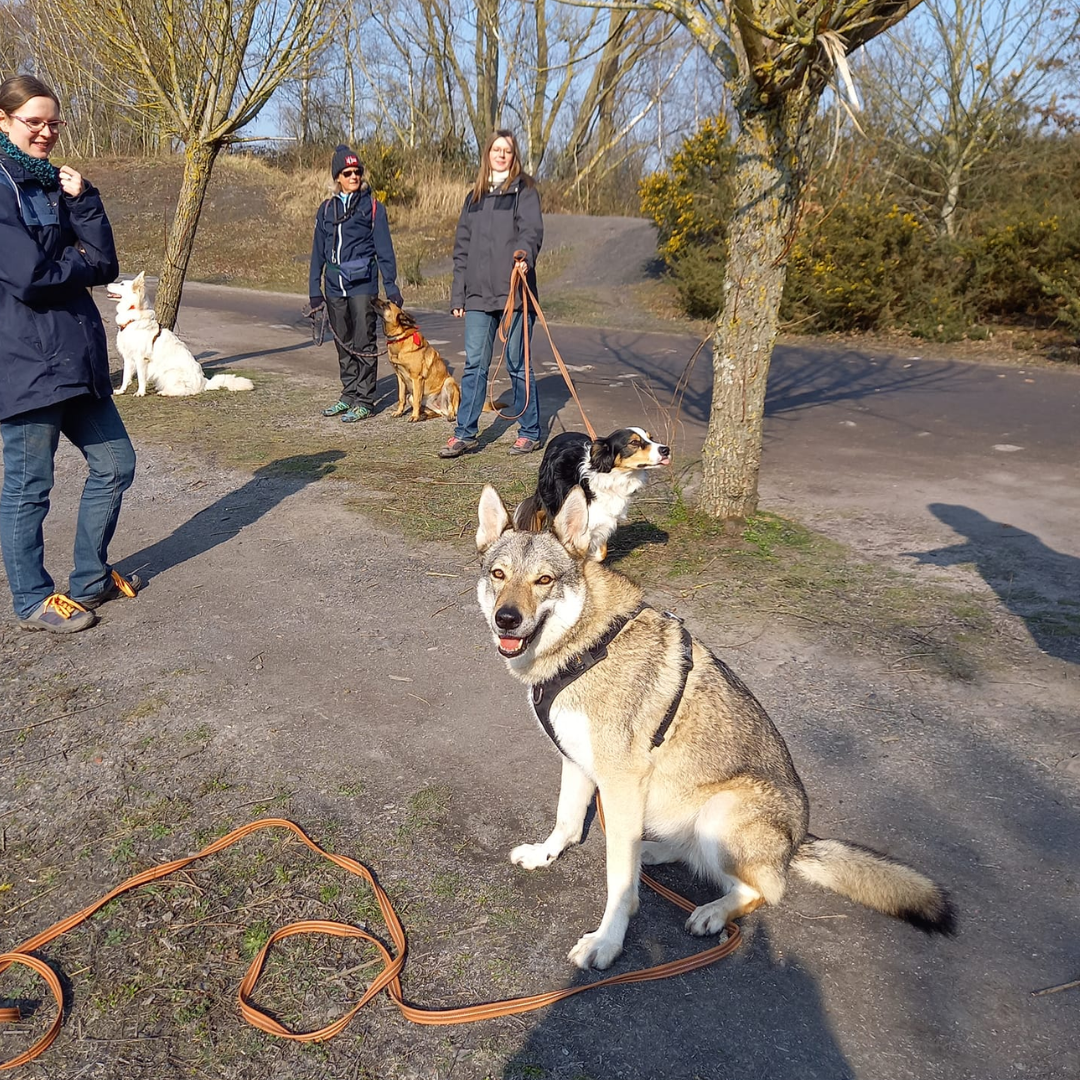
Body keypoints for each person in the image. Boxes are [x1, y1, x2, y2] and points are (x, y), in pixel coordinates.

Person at [0, 74, 138, 634]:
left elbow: (104, 264)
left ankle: (89, 578)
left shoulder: (56, 183)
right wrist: (74, 265)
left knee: (115, 463)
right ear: (4, 121)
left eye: (53, 122)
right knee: (30, 485)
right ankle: (32, 598)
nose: (45, 132)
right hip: (26, 359)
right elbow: (30, 277)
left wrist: (86, 200)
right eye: (34, 120)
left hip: (74, 358)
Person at [440, 129, 544, 458]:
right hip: (477, 298)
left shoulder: (524, 191)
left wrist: (524, 256)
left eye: (507, 150)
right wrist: (459, 296)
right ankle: (464, 433)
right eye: (496, 149)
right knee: (474, 366)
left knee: (517, 365)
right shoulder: (474, 197)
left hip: (514, 291)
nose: (501, 154)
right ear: (487, 154)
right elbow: (462, 250)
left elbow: (531, 231)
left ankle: (529, 432)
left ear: (514, 157)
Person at [309, 145, 402, 422]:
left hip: (363, 286)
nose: (354, 176)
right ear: (338, 176)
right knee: (343, 342)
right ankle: (348, 393)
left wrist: (392, 286)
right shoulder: (326, 210)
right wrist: (315, 290)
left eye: (357, 171)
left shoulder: (373, 208)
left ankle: (364, 398)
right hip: (334, 286)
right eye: (347, 172)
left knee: (363, 341)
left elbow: (385, 251)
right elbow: (317, 253)